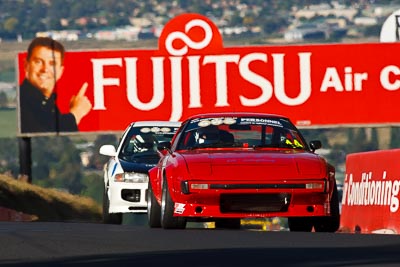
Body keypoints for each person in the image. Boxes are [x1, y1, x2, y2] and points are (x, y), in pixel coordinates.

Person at [19, 37, 92, 133]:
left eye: (52, 64)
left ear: (61, 71)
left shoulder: (47, 104)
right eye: (38, 62)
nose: (45, 69)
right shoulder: (21, 102)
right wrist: (76, 113)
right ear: (26, 65)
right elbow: (44, 135)